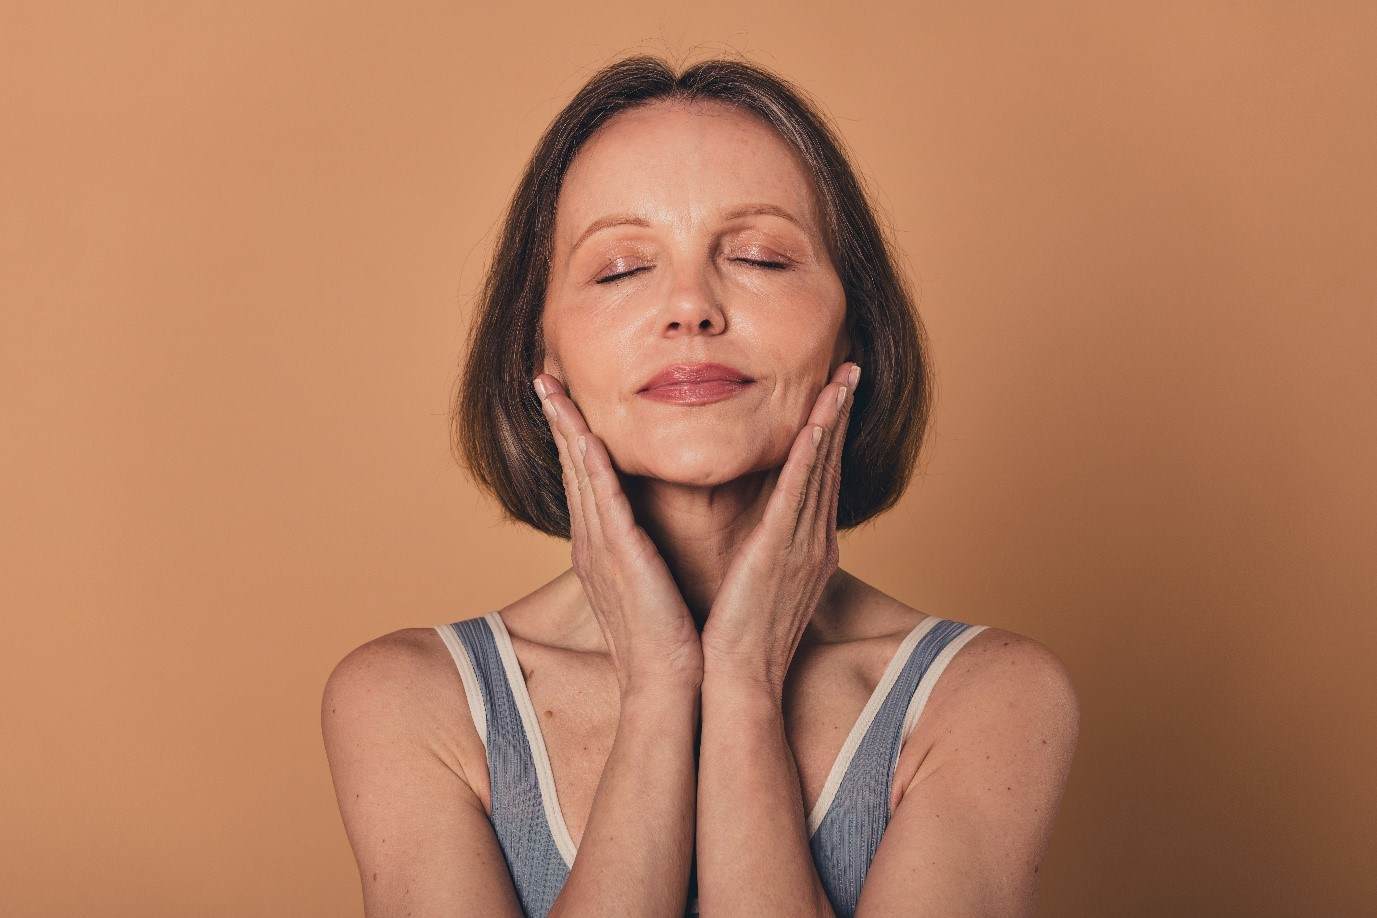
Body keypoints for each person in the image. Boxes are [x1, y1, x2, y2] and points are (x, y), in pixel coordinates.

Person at [321, 54, 1079, 918]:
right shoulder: (410, 700)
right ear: (540, 347)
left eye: (759, 258)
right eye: (618, 269)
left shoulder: (989, 697)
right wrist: (658, 690)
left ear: (852, 329)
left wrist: (744, 683)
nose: (691, 307)